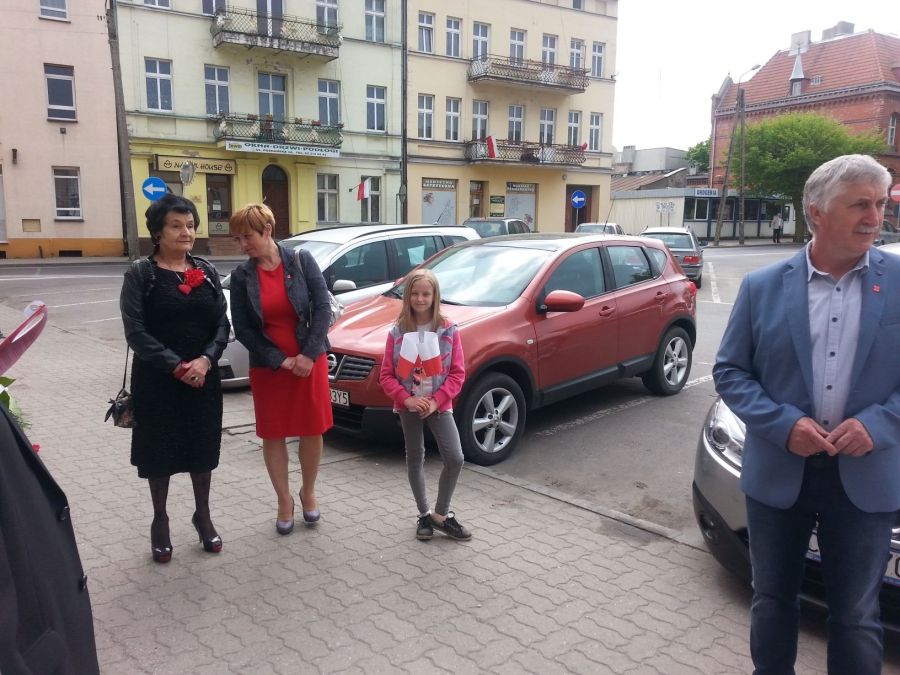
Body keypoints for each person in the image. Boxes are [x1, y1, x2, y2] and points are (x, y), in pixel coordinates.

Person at [713, 154, 896, 674]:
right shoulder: (762, 286)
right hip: (779, 474)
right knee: (772, 599)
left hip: (866, 478)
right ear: (816, 212)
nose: (874, 217)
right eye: (859, 204)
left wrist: (879, 424)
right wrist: (783, 424)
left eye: (880, 203)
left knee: (856, 614)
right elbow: (730, 372)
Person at [120, 194, 229, 563]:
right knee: (159, 451)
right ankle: (160, 520)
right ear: (157, 231)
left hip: (203, 378)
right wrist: (178, 367)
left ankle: (203, 515)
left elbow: (221, 323)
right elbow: (135, 332)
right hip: (158, 380)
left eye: (191, 225)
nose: (187, 232)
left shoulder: (206, 271)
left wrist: (206, 360)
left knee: (202, 447)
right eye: (176, 225)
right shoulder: (141, 274)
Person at [228, 204, 332, 535]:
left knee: (311, 429)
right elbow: (243, 328)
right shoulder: (241, 276)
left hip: (308, 363)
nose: (243, 244)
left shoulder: (301, 261)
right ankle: (284, 500)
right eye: (237, 239)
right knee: (273, 433)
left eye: (248, 236)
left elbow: (323, 307)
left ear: (268, 231)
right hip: (269, 368)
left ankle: (308, 491)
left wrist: (308, 354)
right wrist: (279, 359)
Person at [379, 269, 470, 541]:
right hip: (408, 404)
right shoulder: (397, 332)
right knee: (415, 456)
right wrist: (405, 398)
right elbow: (386, 376)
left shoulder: (448, 330)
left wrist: (437, 400)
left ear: (434, 296)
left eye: (426, 294)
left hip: (437, 404)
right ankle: (423, 515)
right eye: (415, 293)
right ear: (408, 296)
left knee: (455, 457)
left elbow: (457, 373)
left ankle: (441, 515)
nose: (420, 299)